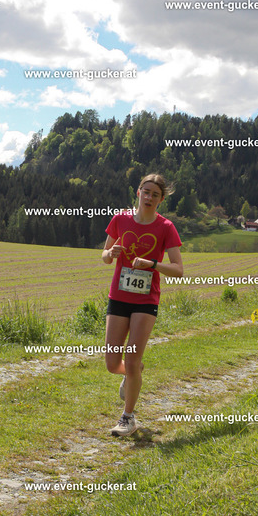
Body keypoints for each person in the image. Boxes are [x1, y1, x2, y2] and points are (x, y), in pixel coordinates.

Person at [102, 173, 183, 436]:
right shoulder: (120, 219)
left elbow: (178, 269)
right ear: (138, 193)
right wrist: (110, 253)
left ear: (161, 200)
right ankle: (133, 371)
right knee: (112, 363)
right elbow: (105, 256)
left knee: (132, 358)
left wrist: (153, 264)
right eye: (145, 192)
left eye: (155, 194)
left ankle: (128, 418)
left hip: (146, 300)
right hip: (118, 297)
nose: (149, 197)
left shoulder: (166, 227)